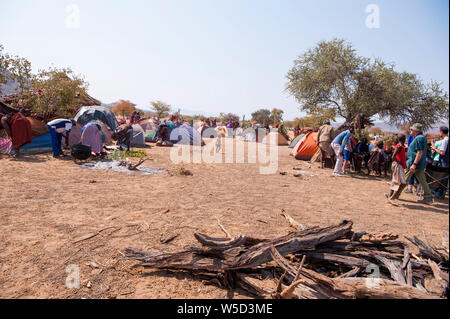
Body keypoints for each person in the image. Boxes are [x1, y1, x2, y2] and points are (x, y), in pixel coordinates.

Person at [390, 123, 433, 204]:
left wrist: (414, 164)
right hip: (419, 163)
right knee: (422, 180)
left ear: (416, 130)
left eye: (412, 129)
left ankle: (395, 195)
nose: (411, 130)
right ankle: (428, 197)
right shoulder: (420, 138)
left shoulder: (419, 138)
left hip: (414, 163)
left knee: (403, 179)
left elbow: (419, 152)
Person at [386, 134, 407, 199]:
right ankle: (393, 196)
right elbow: (393, 156)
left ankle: (390, 194)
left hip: (397, 164)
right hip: (398, 165)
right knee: (403, 183)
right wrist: (399, 162)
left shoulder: (401, 146)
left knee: (394, 180)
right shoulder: (399, 146)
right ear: (404, 139)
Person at [430, 126, 449, 199]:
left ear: (441, 132)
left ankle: (439, 194)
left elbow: (442, 153)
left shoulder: (445, 140)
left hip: (443, 161)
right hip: (447, 161)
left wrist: (434, 148)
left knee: (441, 178)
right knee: (445, 179)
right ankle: (442, 194)